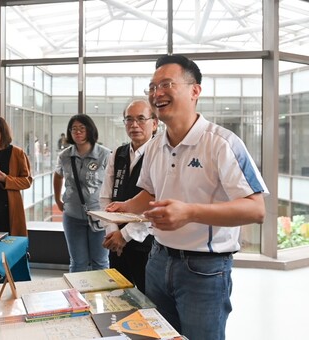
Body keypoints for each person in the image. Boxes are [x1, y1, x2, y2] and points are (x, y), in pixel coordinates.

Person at [106, 55, 268, 340]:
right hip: (157, 259)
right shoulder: (156, 146)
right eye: (152, 87)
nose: (157, 93)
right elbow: (150, 194)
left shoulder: (222, 143)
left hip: (205, 269)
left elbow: (256, 210)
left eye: (166, 84)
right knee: (159, 336)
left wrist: (190, 213)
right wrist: (124, 207)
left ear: (195, 91)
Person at [100, 99, 158, 293]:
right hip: (116, 243)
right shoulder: (118, 153)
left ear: (155, 123)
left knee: (147, 299)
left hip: (147, 243)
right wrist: (113, 230)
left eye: (141, 119)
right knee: (117, 297)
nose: (134, 125)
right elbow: (106, 197)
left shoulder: (161, 154)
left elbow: (156, 203)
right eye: (129, 119)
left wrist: (124, 236)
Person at [53, 114, 111, 272]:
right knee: (78, 262)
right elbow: (57, 175)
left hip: (99, 216)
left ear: (90, 130)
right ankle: (77, 297)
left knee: (100, 261)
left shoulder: (105, 155)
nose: (77, 132)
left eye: (82, 128)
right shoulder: (65, 156)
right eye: (74, 129)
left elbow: (112, 184)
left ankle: (102, 296)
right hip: (72, 216)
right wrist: (58, 199)